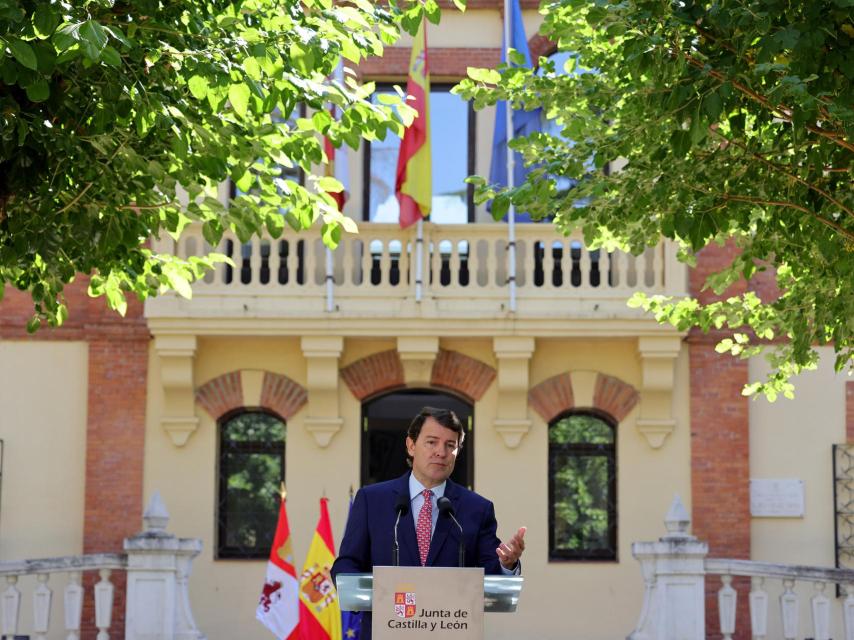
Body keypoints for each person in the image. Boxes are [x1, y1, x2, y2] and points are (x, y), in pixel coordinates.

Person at [332, 406, 526, 639]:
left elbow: (491, 574)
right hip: (386, 629)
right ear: (411, 445)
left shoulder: (477, 508)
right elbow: (347, 563)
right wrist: (363, 594)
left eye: (450, 445)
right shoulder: (372, 500)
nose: (441, 452)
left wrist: (507, 563)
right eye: (432, 442)